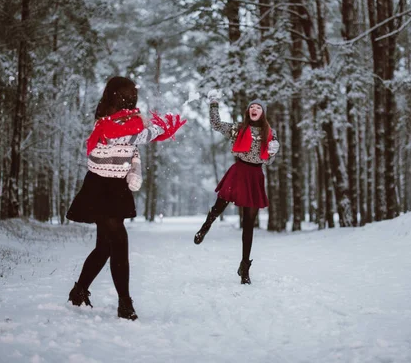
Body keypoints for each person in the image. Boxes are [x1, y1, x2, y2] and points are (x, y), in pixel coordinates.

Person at [66, 76, 185, 320]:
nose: (133, 95)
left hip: (116, 187)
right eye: (129, 92)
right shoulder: (108, 121)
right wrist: (160, 131)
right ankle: (125, 303)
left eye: (134, 91)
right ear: (117, 95)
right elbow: (132, 136)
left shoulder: (128, 120)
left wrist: (159, 131)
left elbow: (136, 136)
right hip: (100, 187)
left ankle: (78, 291)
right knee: (119, 242)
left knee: (104, 247)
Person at [194, 97, 279, 285]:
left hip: (255, 175)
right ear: (248, 111)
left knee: (249, 224)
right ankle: (206, 226)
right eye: (252, 107)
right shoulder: (238, 129)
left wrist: (273, 152)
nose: (254, 109)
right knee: (219, 206)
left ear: (263, 113)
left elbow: (268, 160)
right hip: (239, 172)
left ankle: (244, 268)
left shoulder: (270, 134)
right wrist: (214, 103)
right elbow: (216, 124)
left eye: (258, 107)